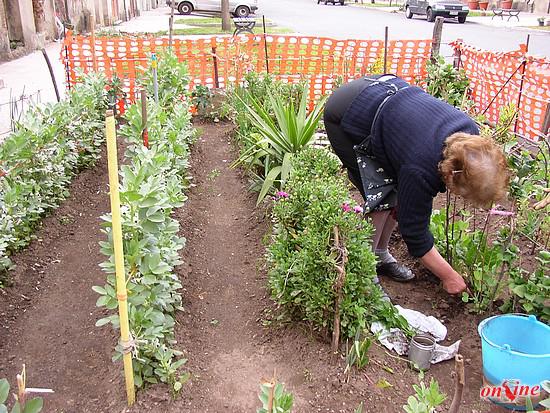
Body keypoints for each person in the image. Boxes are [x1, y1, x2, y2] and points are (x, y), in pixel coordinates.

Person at [324, 74, 510, 295]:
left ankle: (380, 255)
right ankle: (365, 271)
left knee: (397, 198)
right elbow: (415, 234)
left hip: (383, 95)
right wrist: (449, 276)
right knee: (382, 197)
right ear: (451, 174)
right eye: (464, 193)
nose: (460, 197)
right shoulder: (420, 167)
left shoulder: (469, 136)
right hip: (348, 112)